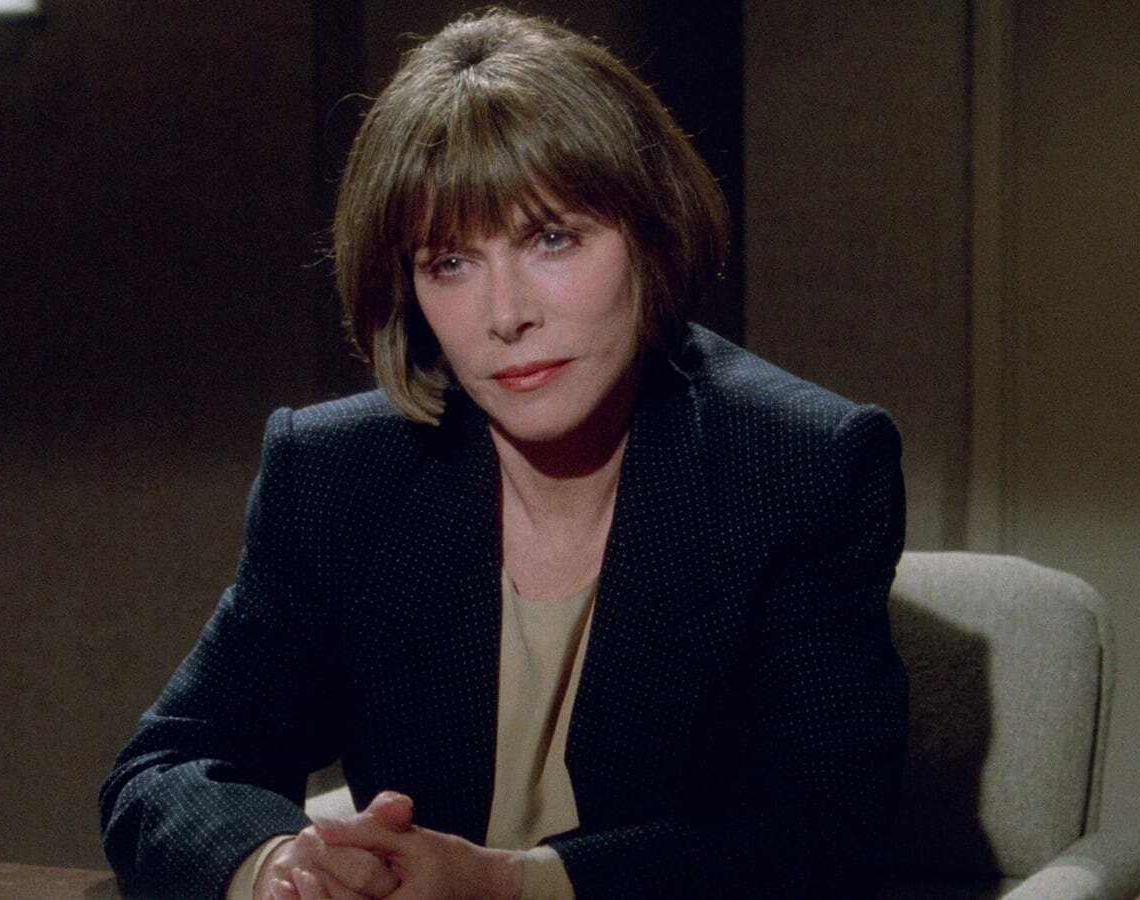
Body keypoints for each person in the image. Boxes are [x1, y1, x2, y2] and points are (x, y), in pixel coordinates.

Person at [100, 8, 907, 898]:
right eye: (450, 262)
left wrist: (517, 888)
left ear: (651, 232)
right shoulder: (338, 475)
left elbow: (826, 839)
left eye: (552, 238)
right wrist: (275, 867)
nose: (506, 314)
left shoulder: (798, 466)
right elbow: (166, 768)